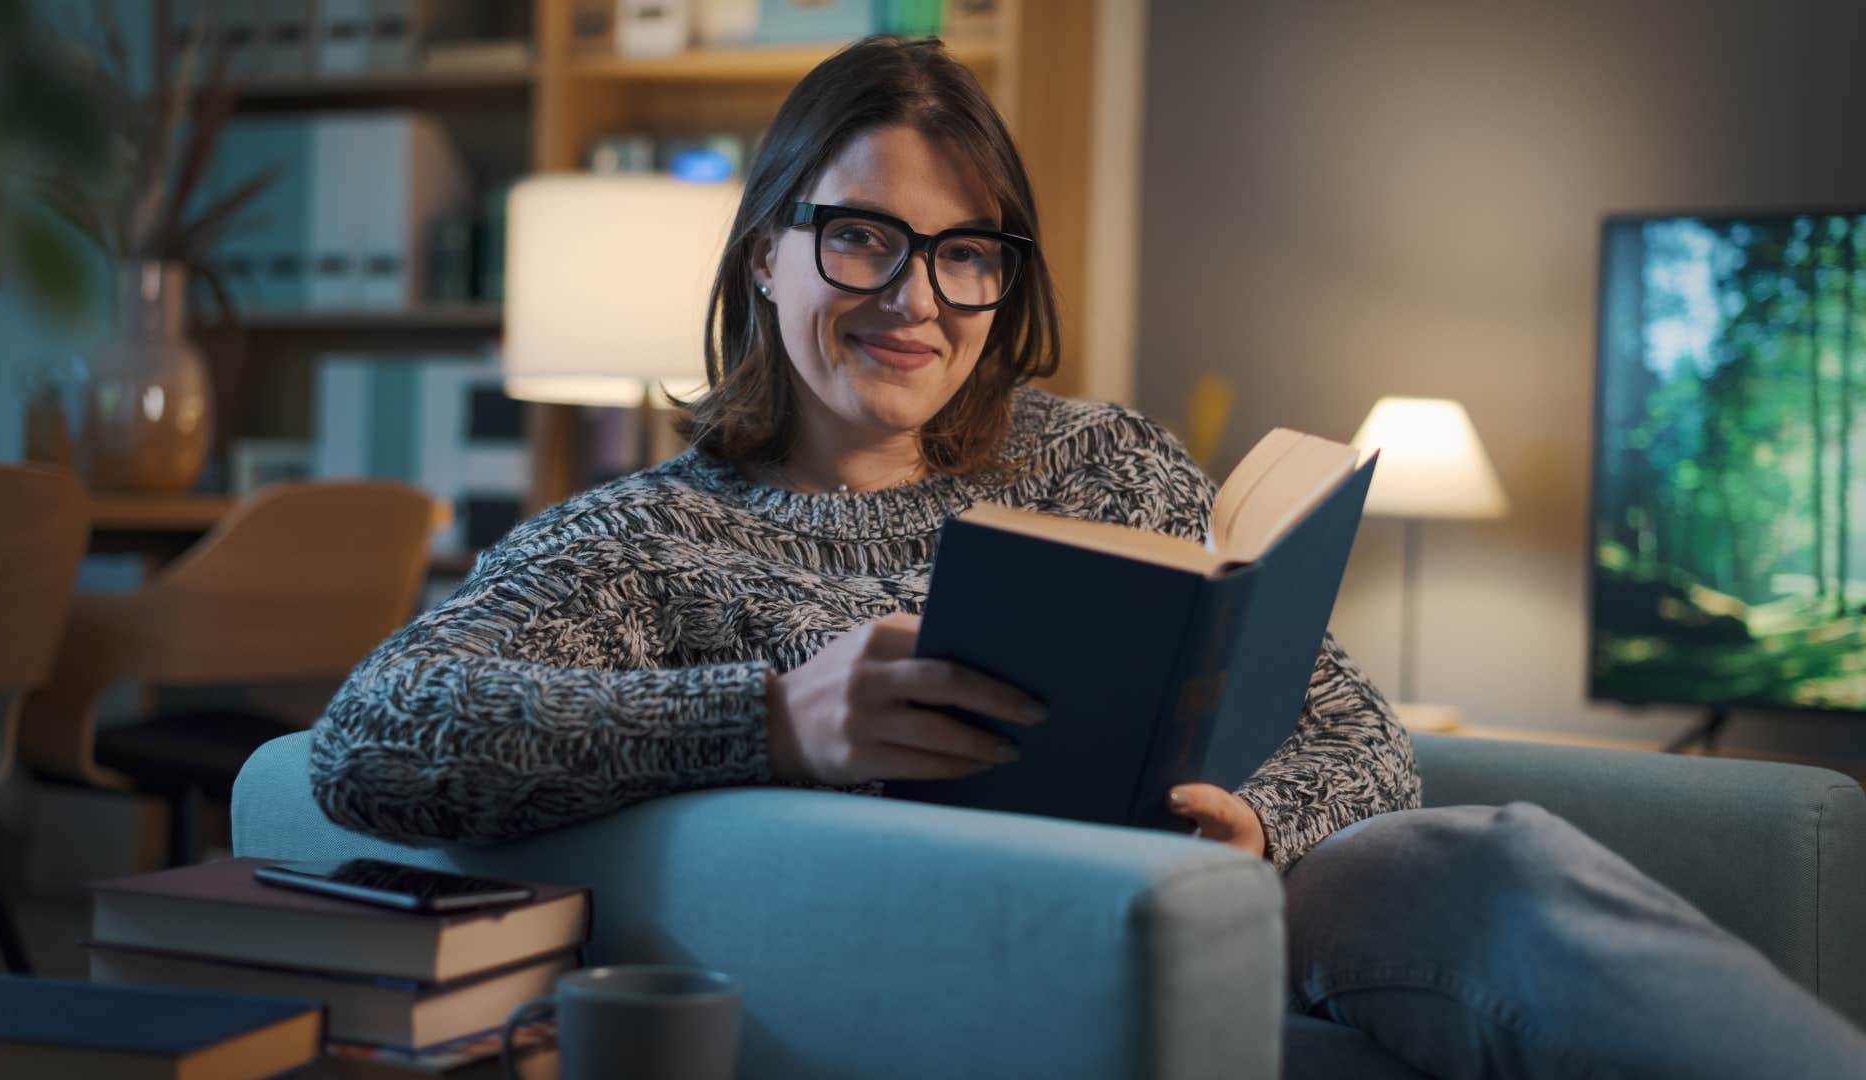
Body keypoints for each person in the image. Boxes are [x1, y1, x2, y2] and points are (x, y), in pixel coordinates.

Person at [312, 36, 1866, 1080]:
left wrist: (1254, 830)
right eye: (862, 238)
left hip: (1242, 911)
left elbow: (1357, 735)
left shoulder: (1097, 458)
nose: (913, 297)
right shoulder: (651, 535)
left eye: (967, 255)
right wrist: (769, 721)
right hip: (981, 947)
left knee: (1500, 855)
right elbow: (372, 738)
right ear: (768, 248)